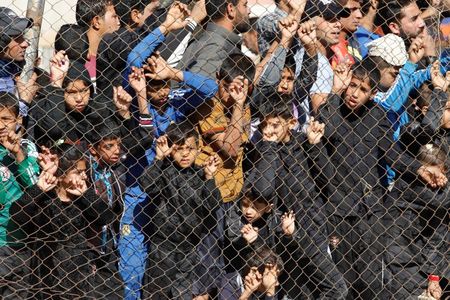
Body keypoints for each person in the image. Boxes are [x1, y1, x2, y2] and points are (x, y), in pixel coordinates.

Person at [313, 59, 394, 298]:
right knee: (343, 277)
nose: (355, 94)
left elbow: (392, 153)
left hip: (369, 209)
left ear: (373, 93)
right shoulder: (334, 107)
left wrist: (419, 169)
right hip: (338, 206)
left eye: (363, 89)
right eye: (353, 85)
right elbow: (324, 126)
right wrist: (336, 89)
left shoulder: (377, 116)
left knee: (370, 278)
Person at [9, 143, 116, 298]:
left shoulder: (82, 198)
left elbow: (106, 217)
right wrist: (38, 190)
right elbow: (17, 215)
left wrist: (86, 195)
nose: (84, 176)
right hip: (45, 273)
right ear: (61, 175)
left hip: (78, 272)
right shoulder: (45, 197)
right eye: (78, 172)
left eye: (84, 171)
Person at [221, 178, 348, 299]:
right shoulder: (238, 220)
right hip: (252, 281)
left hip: (283, 278)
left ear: (269, 207)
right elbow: (244, 254)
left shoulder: (277, 219)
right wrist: (249, 242)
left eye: (255, 207)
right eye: (245, 204)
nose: (248, 211)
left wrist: (289, 235)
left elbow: (283, 255)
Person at [138, 123, 222, 298]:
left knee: (182, 294)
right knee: (156, 293)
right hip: (163, 246)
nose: (185, 154)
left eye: (190, 148)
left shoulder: (201, 174)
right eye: (179, 149)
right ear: (170, 149)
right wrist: (159, 158)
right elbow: (146, 185)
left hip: (189, 248)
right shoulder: (165, 171)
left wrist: (209, 177)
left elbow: (213, 205)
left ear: (199, 149)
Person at [386, 143, 449, 299]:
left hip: (420, 257)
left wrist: (434, 277)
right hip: (399, 259)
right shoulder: (412, 185)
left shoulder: (438, 194)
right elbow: (440, 201)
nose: (435, 179)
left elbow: (436, 233)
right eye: (430, 174)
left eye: (439, 173)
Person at [0, 91, 39, 298]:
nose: (0, 126)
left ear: (18, 120)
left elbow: (36, 185)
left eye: (5, 119)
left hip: (18, 241)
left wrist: (18, 155)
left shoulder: (28, 148)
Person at [86, 125, 126, 299]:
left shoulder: (113, 170)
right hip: (88, 241)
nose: (116, 151)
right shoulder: (86, 171)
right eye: (109, 146)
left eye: (118, 145)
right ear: (93, 150)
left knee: (114, 289)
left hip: (108, 238)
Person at [177, 0, 251, 79]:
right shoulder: (218, 47)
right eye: (245, 5)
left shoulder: (212, 39)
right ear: (231, 9)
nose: (249, 11)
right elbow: (198, 85)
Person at [0, 7, 37, 118]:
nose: (25, 44)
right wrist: (24, 102)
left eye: (23, 36)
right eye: (17, 38)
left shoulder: (15, 70)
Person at [75, 0, 121, 89]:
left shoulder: (113, 57)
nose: (119, 23)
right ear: (97, 22)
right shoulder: (78, 63)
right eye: (114, 17)